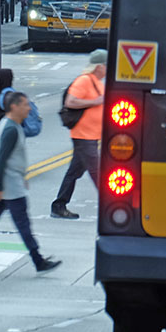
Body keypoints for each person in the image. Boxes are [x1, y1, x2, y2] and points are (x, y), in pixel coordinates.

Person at [0, 92, 61, 273]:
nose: (29, 108)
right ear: (14, 107)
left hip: (8, 184)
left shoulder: (10, 125)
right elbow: (0, 161)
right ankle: (38, 261)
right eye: (25, 105)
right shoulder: (10, 129)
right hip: (9, 187)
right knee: (22, 224)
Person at [50, 49, 107, 219]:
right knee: (97, 172)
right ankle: (111, 206)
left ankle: (59, 205)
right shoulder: (84, 81)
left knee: (74, 172)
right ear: (98, 66)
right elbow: (71, 102)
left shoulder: (98, 82)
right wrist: (93, 102)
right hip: (83, 135)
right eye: (105, 65)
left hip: (91, 135)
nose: (106, 69)